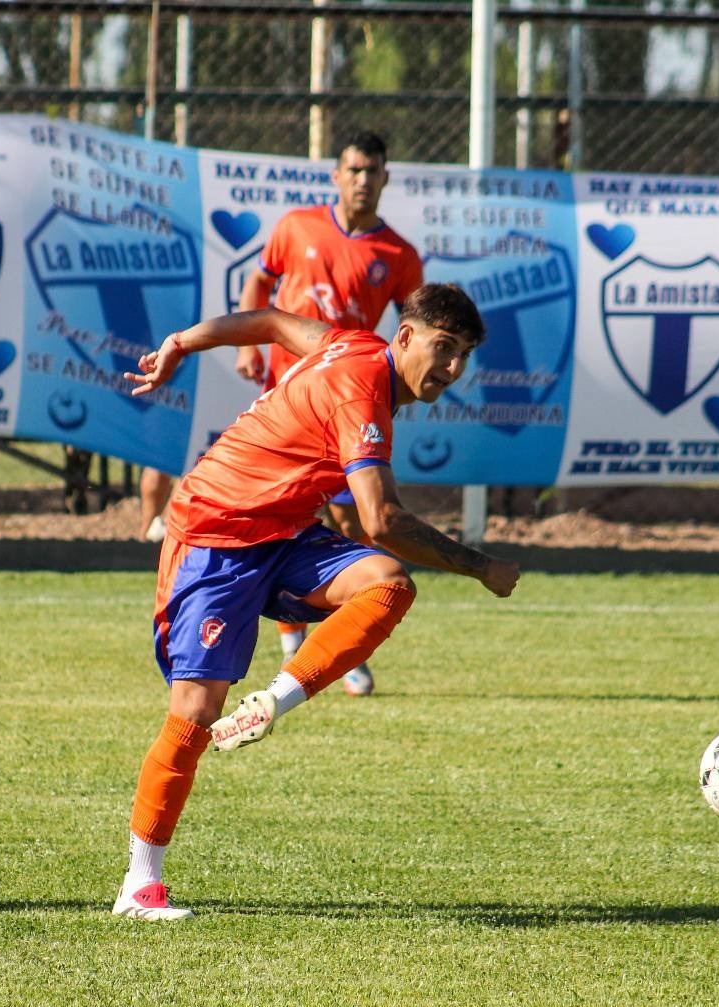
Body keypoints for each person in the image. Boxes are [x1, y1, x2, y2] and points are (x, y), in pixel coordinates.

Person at [112, 284, 519, 921]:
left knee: (387, 583)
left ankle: (271, 701)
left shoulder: (351, 345)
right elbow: (381, 518)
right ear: (405, 338)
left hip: (283, 531)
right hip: (216, 533)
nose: (453, 368)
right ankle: (139, 887)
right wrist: (480, 565)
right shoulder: (363, 386)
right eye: (444, 348)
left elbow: (274, 322)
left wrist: (185, 341)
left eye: (464, 354)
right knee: (194, 712)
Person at [234, 129, 423, 688]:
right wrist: (248, 345)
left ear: (386, 178)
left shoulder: (398, 254)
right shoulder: (297, 227)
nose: (363, 180)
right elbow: (260, 283)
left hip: (343, 406)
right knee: (281, 514)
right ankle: (296, 637)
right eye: (354, 169)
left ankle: (341, 635)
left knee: (351, 519)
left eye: (373, 171)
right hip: (287, 402)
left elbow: (414, 329)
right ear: (336, 175)